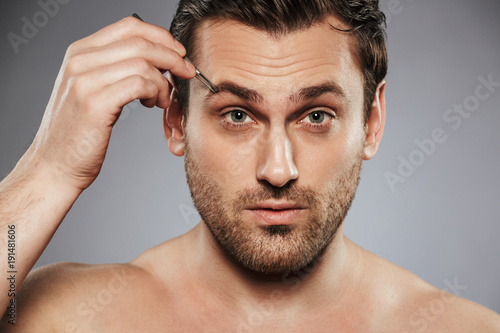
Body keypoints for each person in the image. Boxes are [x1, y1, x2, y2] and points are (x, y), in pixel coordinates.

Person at [1, 0, 499, 331]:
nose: (278, 171)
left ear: (372, 122)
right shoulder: (65, 318)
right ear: (176, 120)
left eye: (316, 115)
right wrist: (48, 170)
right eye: (238, 115)